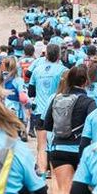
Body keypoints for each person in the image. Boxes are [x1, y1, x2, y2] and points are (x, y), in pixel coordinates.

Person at [44, 65, 97, 194]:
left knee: (63, 190)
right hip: (81, 149)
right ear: (85, 81)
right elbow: (93, 126)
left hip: (59, 148)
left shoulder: (57, 98)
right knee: (83, 189)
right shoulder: (88, 102)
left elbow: (47, 125)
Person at [28, 43, 67, 180]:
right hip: (57, 110)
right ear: (59, 55)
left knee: (41, 144)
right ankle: (53, 170)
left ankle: (41, 173)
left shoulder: (37, 70)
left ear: (46, 55)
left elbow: (31, 92)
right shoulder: (63, 70)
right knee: (56, 141)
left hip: (40, 110)